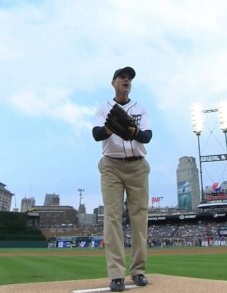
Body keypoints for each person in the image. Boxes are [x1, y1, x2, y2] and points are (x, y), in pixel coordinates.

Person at [92, 66, 152, 292]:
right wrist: (111, 127)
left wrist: (132, 130)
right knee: (113, 217)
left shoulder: (141, 108)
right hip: (111, 166)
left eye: (129, 79)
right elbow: (97, 135)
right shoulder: (103, 108)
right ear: (113, 82)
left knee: (139, 219)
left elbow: (147, 136)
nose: (126, 81)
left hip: (137, 166)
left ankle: (138, 271)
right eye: (122, 78)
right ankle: (116, 274)